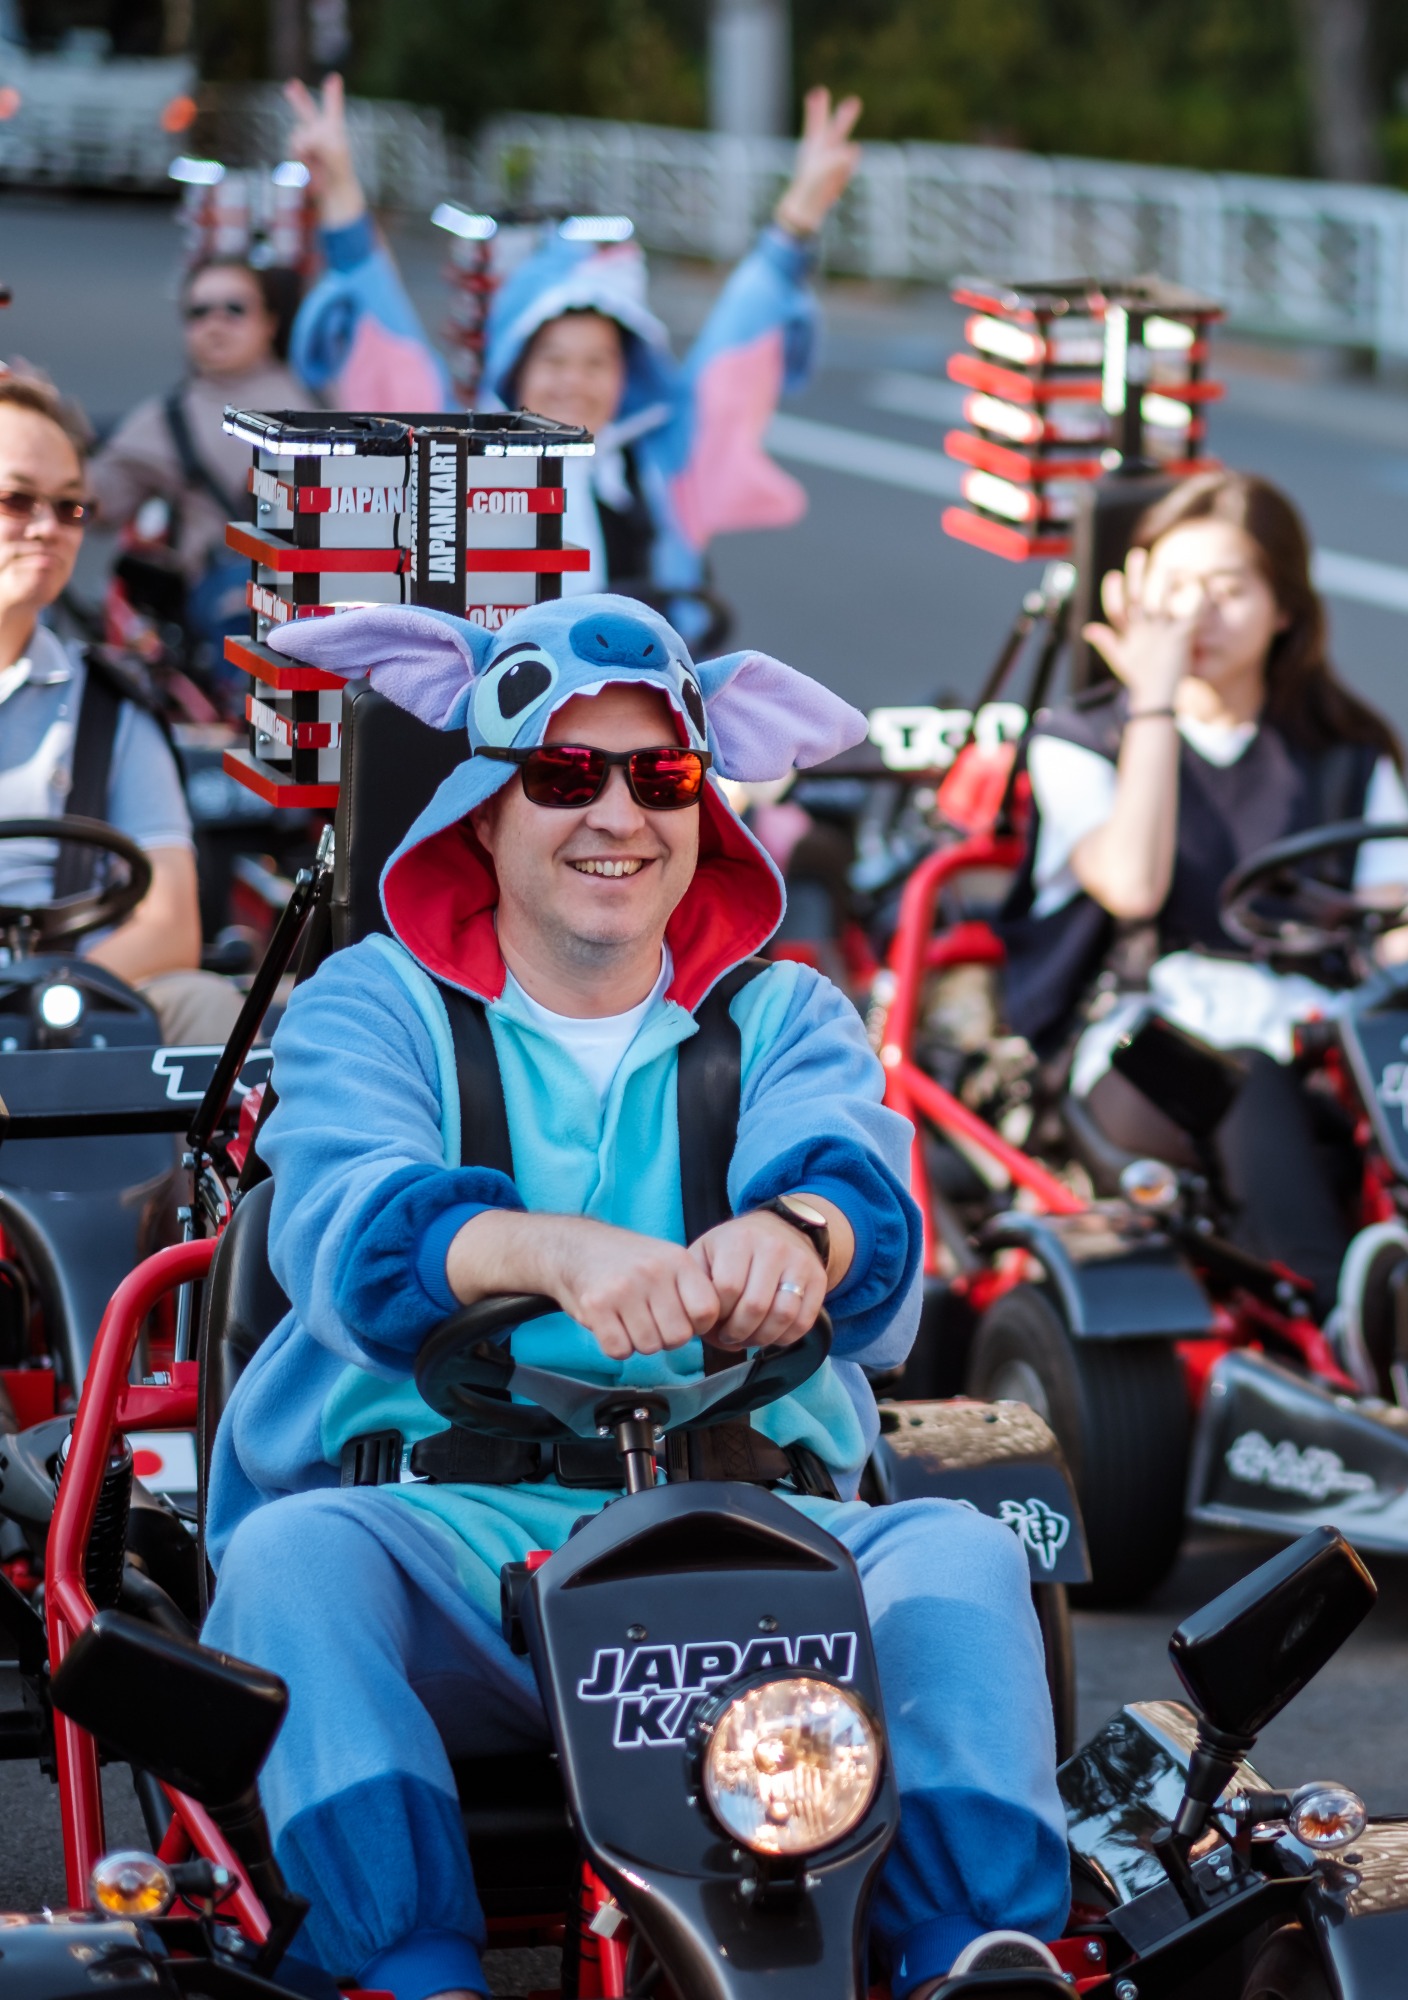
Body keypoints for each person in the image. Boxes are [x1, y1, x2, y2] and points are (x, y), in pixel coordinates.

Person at [198, 592, 1065, 1999]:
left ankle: (972, 1952)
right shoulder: (372, 1004)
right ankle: (408, 1970)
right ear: (484, 809)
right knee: (294, 1565)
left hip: (749, 1529)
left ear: (703, 806)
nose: (617, 813)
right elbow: (351, 1230)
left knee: (962, 1556)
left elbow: (867, 1195)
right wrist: (555, 1253)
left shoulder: (781, 1013)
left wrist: (801, 1237)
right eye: (562, 774)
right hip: (451, 1535)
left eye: (659, 776)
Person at [1016, 470, 1408, 1301]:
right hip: (1143, 1041)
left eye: (1228, 589)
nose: (1198, 613)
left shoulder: (1342, 752)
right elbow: (1132, 883)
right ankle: (1328, 1312)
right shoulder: (1078, 741)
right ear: (1132, 599)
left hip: (1312, 1030)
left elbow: (1383, 947)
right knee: (1246, 1078)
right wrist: (1155, 699)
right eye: (1174, 589)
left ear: (1284, 609)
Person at [277, 74, 863, 647]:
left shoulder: (660, 469)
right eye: (554, 359)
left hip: (654, 729)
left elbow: (733, 348)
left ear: (625, 374)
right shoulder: (454, 462)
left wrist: (800, 214)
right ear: (515, 368)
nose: (574, 382)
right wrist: (340, 194)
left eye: (597, 362)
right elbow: (389, 339)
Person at [0, 364, 242, 1043]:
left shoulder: (110, 704)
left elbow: (170, 925)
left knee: (206, 1007)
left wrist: (37, 1005)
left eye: (70, 506)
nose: (48, 527)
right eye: (17, 500)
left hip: (64, 1008)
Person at [87, 254, 312, 698]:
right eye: (199, 311)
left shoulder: (323, 400)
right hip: (231, 602)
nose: (216, 322)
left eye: (234, 308)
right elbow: (93, 505)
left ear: (269, 322)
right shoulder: (163, 420)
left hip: (325, 589)